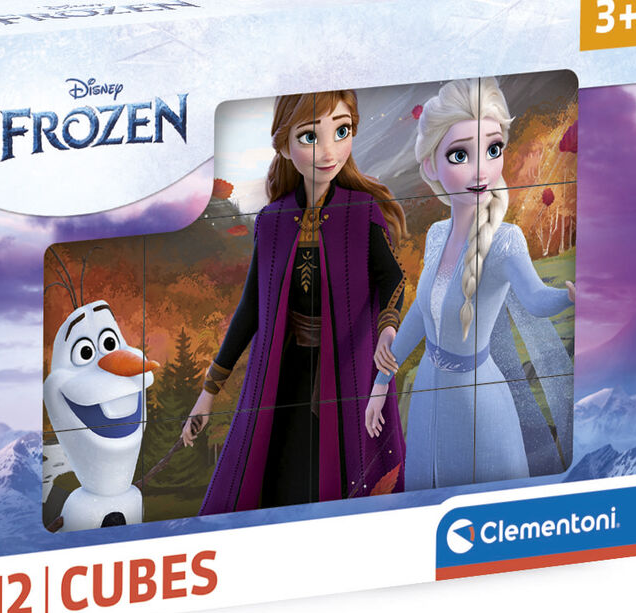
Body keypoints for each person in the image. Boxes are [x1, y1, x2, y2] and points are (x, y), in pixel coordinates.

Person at [182, 90, 407, 514]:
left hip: (347, 372)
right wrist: (208, 392)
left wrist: (387, 330)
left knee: (341, 482)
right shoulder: (272, 221)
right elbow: (250, 309)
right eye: (310, 137)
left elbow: (392, 278)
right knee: (279, 480)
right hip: (284, 377)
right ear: (284, 146)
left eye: (342, 131)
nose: (329, 151)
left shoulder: (362, 211)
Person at [365, 77, 574, 490]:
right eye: (460, 154)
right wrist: (380, 382)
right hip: (429, 395)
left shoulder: (505, 241)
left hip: (479, 403)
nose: (481, 170)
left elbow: (535, 299)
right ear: (431, 166)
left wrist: (567, 298)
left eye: (493, 150)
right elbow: (422, 315)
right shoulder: (436, 235)